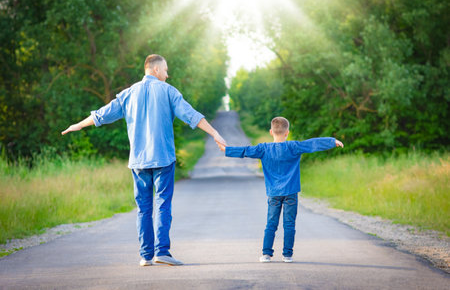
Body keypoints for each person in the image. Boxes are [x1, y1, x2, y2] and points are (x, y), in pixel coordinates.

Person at [62, 54, 226, 266]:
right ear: (156, 70)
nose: (167, 75)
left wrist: (79, 125)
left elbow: (102, 115)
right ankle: (162, 252)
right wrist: (215, 133)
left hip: (139, 162)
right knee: (163, 205)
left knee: (144, 208)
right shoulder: (168, 91)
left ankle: (146, 256)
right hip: (163, 159)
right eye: (166, 70)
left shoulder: (128, 93)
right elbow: (191, 115)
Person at [218, 117, 343, 263]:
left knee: (271, 224)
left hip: (273, 193)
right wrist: (331, 141)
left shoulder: (263, 149)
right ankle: (287, 255)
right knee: (289, 224)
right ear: (287, 133)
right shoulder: (293, 146)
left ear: (271, 132)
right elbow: (311, 144)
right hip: (291, 192)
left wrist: (227, 150)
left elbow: (246, 151)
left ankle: (266, 254)